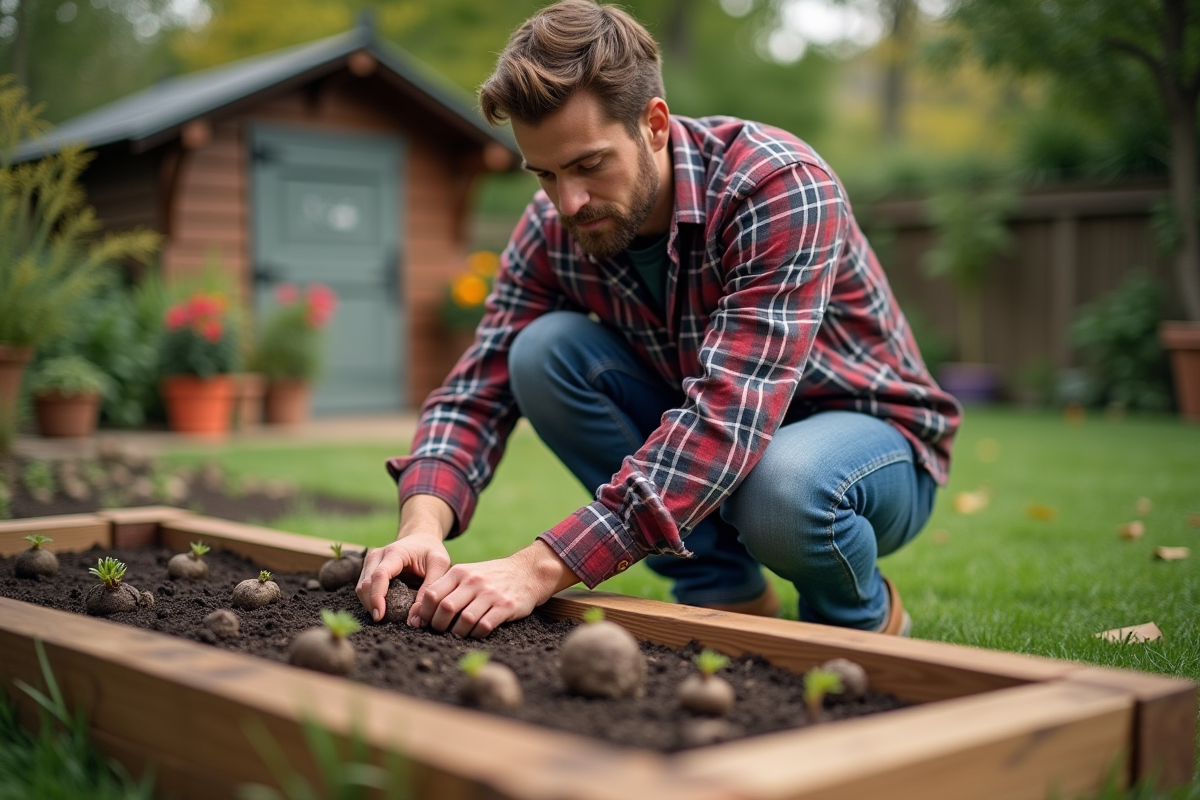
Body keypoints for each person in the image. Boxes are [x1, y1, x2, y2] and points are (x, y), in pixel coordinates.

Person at [356, 0, 961, 639]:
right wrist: (421, 527)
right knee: (538, 353)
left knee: (783, 488)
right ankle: (724, 593)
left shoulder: (777, 186)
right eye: (546, 175)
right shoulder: (553, 229)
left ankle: (860, 620)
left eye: (589, 165)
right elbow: (479, 391)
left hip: (866, 449)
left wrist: (537, 567)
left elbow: (728, 416)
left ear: (654, 125)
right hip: (723, 452)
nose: (569, 202)